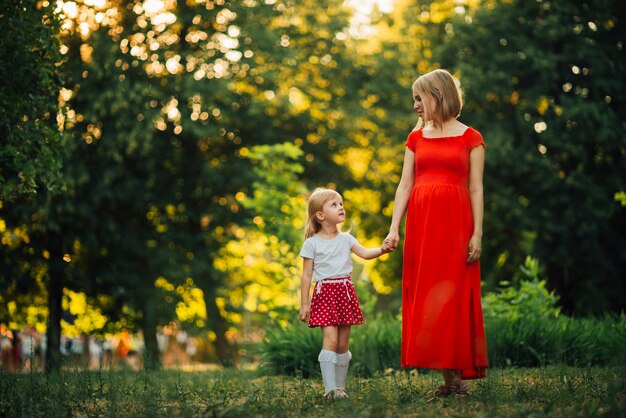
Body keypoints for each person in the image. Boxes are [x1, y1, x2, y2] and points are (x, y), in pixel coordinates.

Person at [384, 69, 489, 397]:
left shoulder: (471, 137)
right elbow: (405, 185)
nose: (415, 105)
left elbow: (476, 189)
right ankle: (448, 380)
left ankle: (456, 377)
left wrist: (478, 233)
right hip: (422, 225)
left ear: (438, 95)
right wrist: (394, 228)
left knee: (455, 295)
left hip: (457, 225)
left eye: (419, 98)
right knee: (431, 295)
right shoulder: (415, 138)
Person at [299, 187, 393, 400]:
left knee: (342, 343)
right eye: (334, 204)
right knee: (330, 340)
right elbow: (306, 276)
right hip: (325, 294)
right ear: (320, 216)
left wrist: (383, 249)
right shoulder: (311, 244)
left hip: (345, 293)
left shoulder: (347, 240)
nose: (340, 207)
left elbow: (367, 254)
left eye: (341, 203)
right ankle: (329, 389)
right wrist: (304, 304)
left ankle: (340, 389)